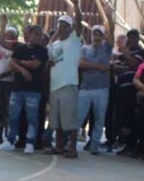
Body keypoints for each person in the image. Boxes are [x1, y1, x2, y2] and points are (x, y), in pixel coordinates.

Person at [0, 25, 48, 153]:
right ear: (29, 34)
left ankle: (30, 142)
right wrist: (23, 70)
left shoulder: (42, 50)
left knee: (32, 117)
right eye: (36, 34)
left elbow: (35, 64)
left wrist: (19, 63)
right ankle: (10, 140)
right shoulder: (20, 48)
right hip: (18, 88)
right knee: (13, 116)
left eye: (40, 34)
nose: (38, 37)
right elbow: (11, 63)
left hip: (34, 89)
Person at [45, 14, 83, 157]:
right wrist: (49, 63)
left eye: (65, 26)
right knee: (57, 119)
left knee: (70, 119)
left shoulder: (74, 40)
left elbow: (79, 24)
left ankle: (72, 148)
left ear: (70, 28)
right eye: (59, 25)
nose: (61, 28)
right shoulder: (54, 45)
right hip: (54, 85)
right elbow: (51, 60)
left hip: (69, 83)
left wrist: (76, 4)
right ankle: (59, 146)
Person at [77, 23, 113, 155]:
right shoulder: (85, 49)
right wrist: (99, 67)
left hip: (102, 88)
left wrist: (109, 18)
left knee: (99, 117)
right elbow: (80, 63)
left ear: (103, 36)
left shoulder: (107, 47)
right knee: (79, 116)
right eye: (94, 34)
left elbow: (112, 32)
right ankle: (71, 142)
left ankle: (94, 144)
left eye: (99, 34)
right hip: (85, 87)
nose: (96, 36)